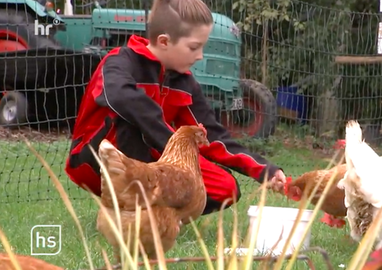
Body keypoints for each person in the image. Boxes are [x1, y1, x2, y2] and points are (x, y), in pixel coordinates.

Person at [64, 0, 286, 215]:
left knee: (224, 187)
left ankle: (160, 218)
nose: (199, 56)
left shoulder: (185, 82)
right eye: (194, 47)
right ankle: (132, 212)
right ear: (164, 41)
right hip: (97, 159)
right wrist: (170, 142)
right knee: (131, 119)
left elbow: (215, 137)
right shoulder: (120, 62)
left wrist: (266, 170)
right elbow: (120, 97)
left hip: (153, 161)